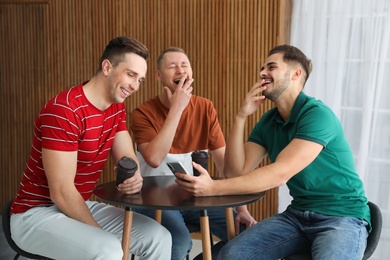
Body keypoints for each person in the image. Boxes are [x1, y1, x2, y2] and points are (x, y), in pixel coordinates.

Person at [175, 45, 371, 260]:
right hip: (297, 216)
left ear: (296, 74)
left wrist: (212, 188)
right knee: (231, 255)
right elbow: (235, 172)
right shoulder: (269, 121)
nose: (262, 73)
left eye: (271, 67)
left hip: (342, 217)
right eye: (262, 68)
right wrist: (241, 116)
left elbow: (280, 174)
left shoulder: (317, 115)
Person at [10, 36, 171, 260]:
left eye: (140, 80)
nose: (135, 86)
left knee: (159, 237)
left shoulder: (116, 107)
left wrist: (133, 173)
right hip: (36, 214)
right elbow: (62, 193)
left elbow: (125, 155)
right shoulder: (64, 111)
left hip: (79, 204)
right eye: (131, 74)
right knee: (107, 248)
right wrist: (98, 231)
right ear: (107, 67)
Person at [130, 47, 257, 260]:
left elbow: (224, 165)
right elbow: (153, 159)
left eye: (184, 65)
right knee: (178, 242)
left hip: (193, 198)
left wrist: (241, 208)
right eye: (172, 66)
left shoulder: (205, 107)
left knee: (247, 235)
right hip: (153, 200)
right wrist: (177, 109)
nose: (180, 70)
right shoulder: (142, 113)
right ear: (158, 76)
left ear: (191, 73)